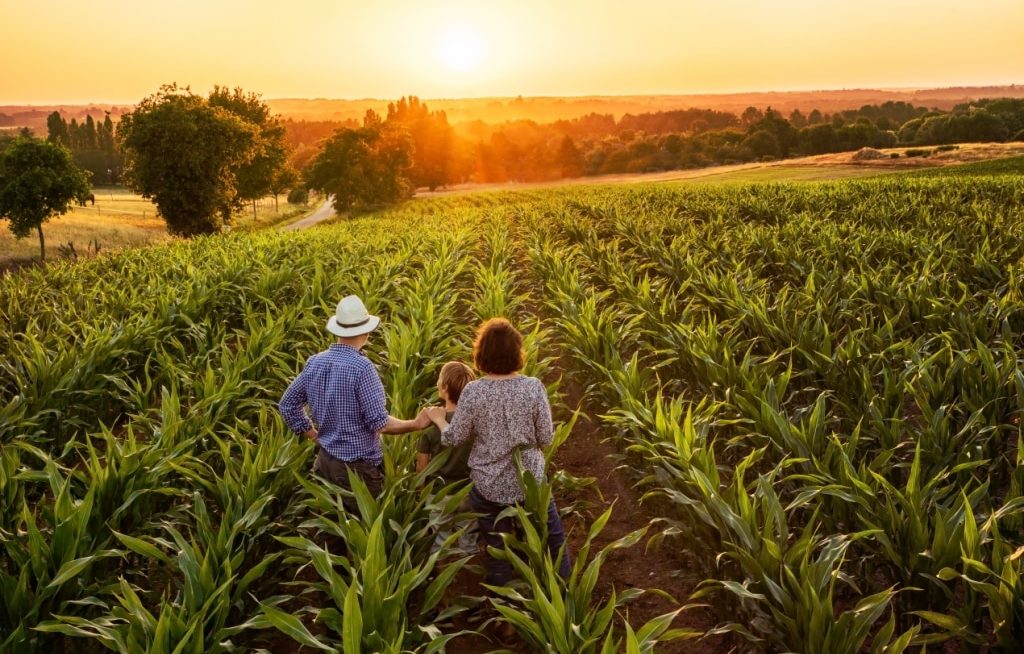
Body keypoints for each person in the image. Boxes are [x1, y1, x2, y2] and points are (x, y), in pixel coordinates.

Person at [425, 318, 572, 587]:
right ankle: (563, 597)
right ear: (517, 352)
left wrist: (439, 420)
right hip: (530, 485)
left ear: (481, 355)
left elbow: (454, 438)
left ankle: (503, 609)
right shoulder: (533, 387)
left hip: (488, 488)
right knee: (554, 538)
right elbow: (546, 437)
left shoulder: (474, 392)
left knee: (496, 548)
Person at [279, 295, 428, 509]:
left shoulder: (315, 362)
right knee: (363, 534)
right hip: (357, 472)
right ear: (365, 333)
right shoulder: (362, 368)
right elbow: (380, 423)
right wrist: (415, 423)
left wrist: (312, 435)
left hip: (324, 462)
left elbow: (287, 404)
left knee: (330, 534)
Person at [417, 361, 478, 552]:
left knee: (440, 540)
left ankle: (445, 575)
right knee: (468, 537)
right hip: (469, 491)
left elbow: (422, 468)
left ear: (443, 388)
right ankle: (468, 574)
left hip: (439, 494)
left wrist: (420, 493)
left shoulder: (431, 426)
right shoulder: (475, 422)